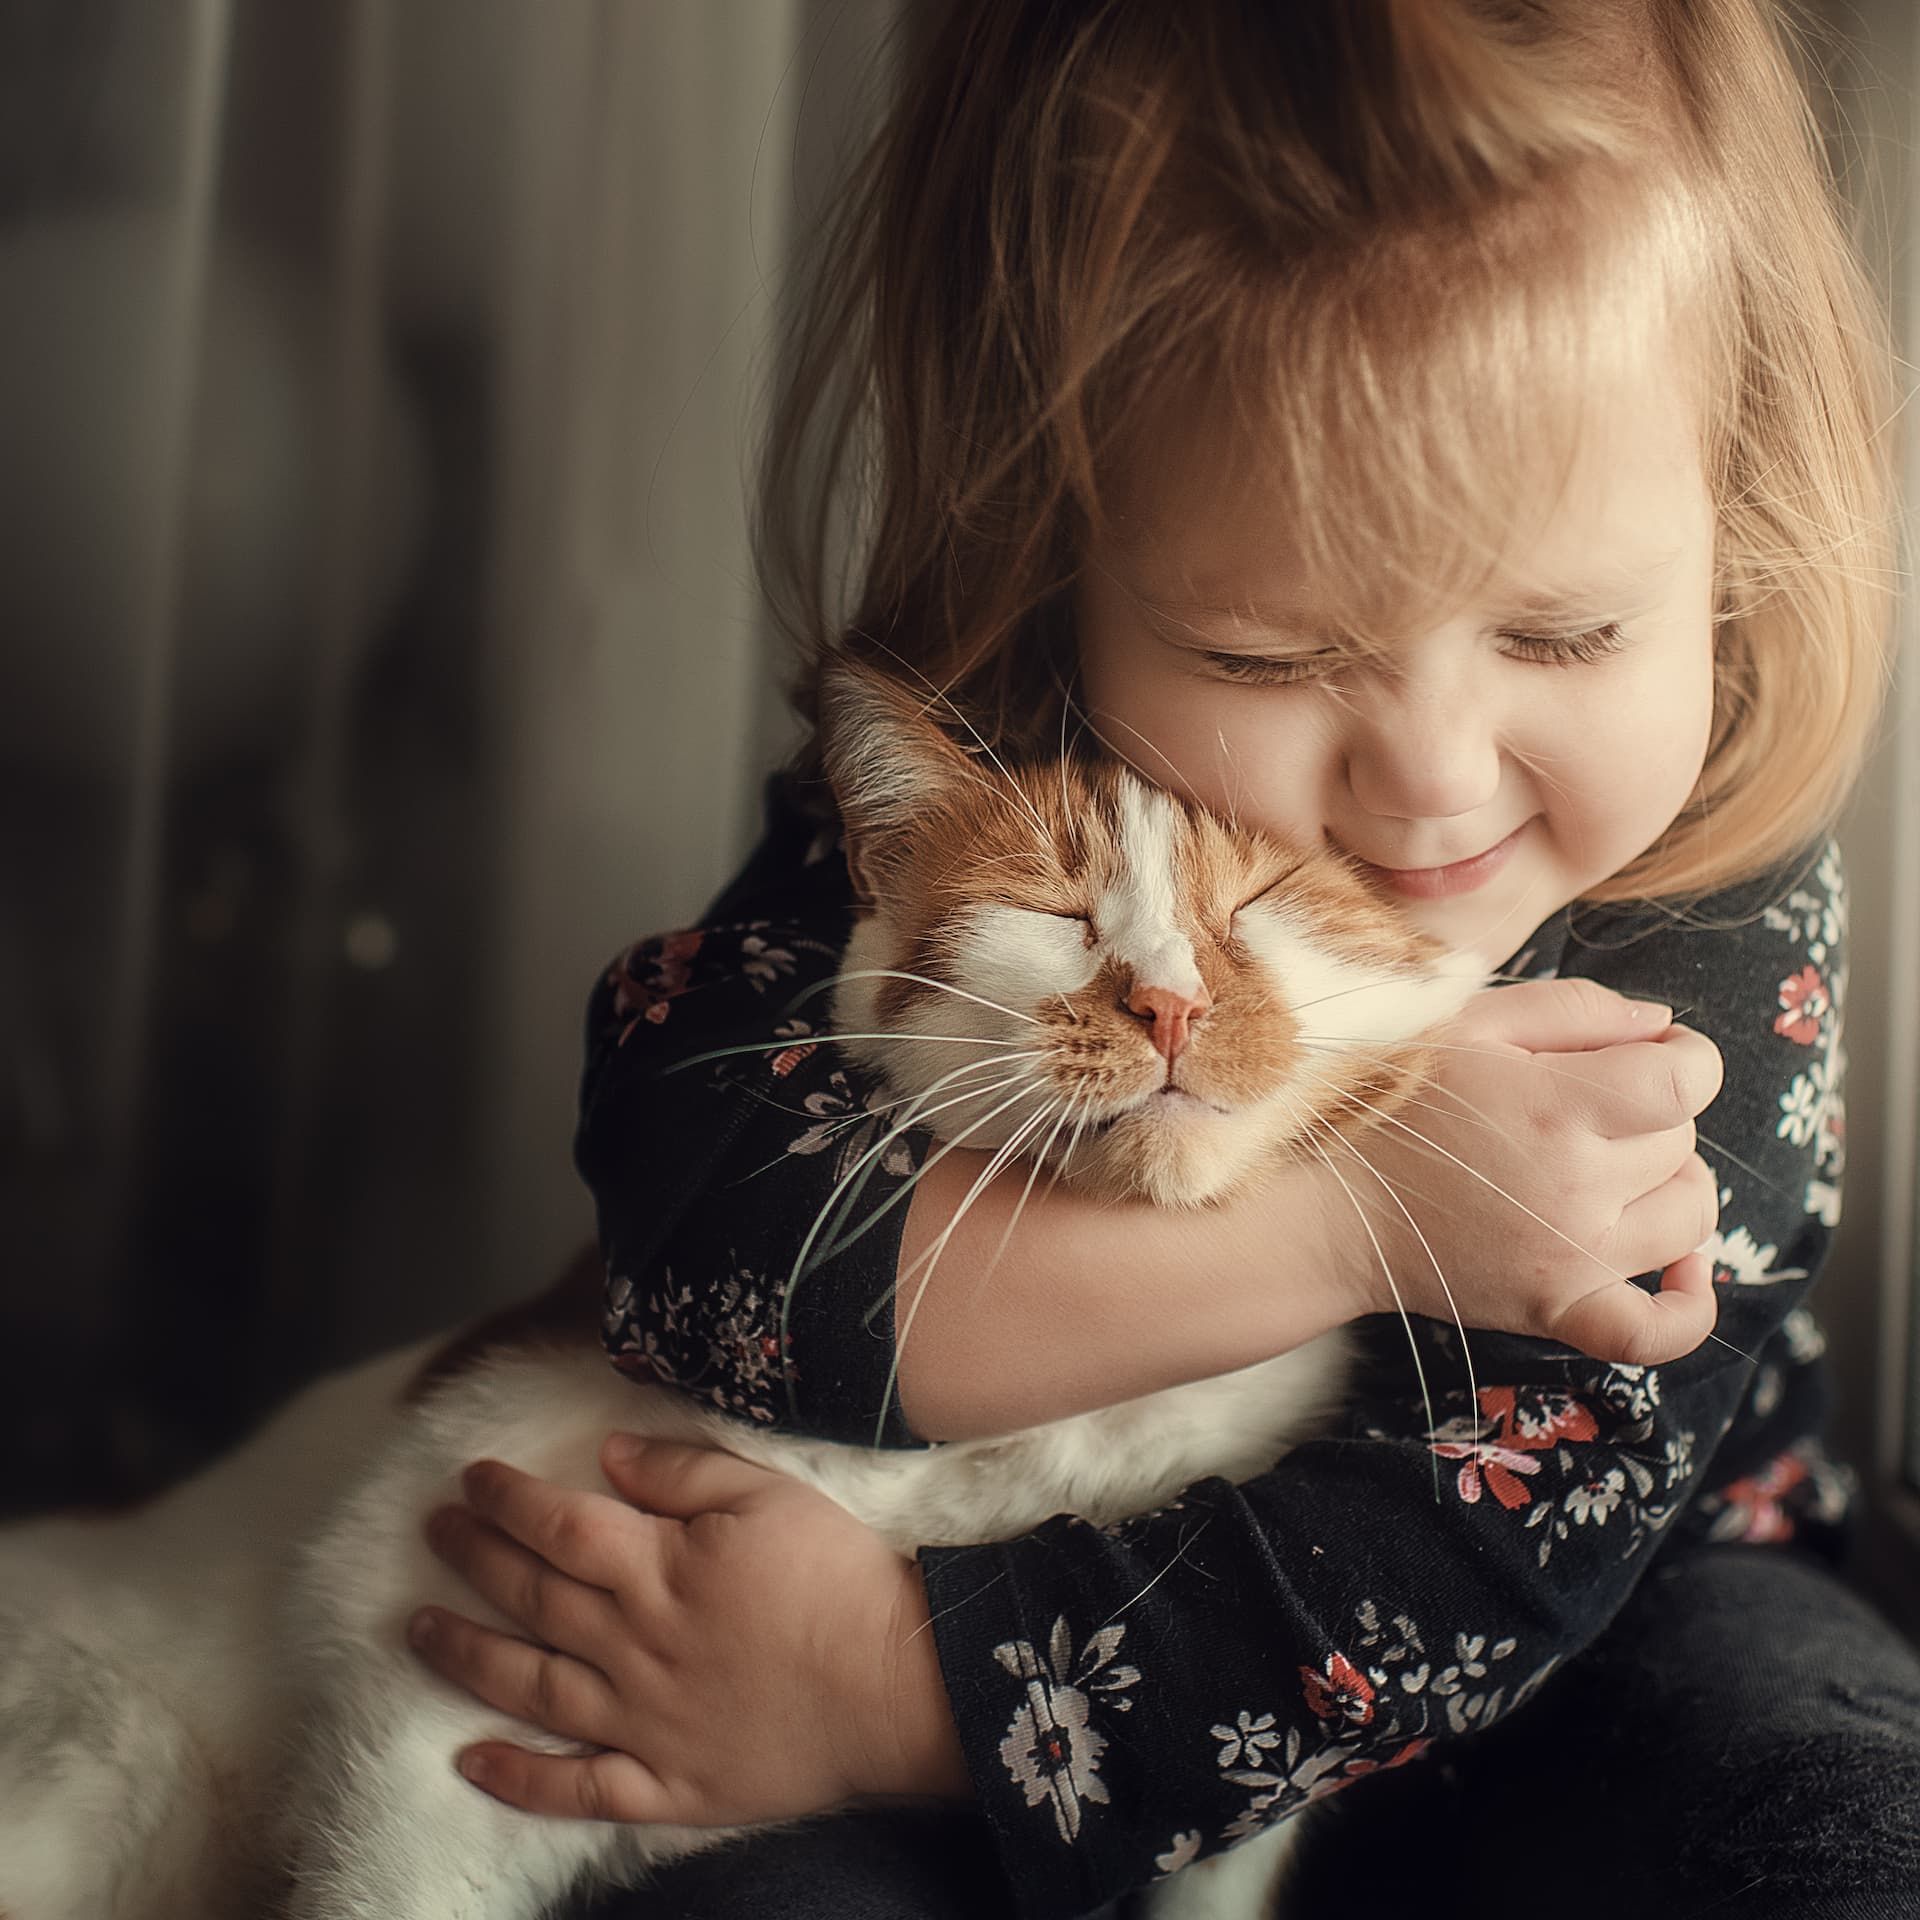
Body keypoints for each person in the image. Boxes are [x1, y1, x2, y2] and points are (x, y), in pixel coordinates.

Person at [402, 3, 1920, 1914]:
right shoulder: (1007, 791)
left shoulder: (1714, 897)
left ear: (1735, 539)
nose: (1433, 781)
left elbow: (1510, 1539)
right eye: (1267, 657)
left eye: (1564, 635)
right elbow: (702, 1240)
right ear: (1061, 557)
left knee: (1844, 1833)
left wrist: (911, 1695)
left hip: (1617, 1640)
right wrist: (1341, 1229)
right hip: (956, 1565)